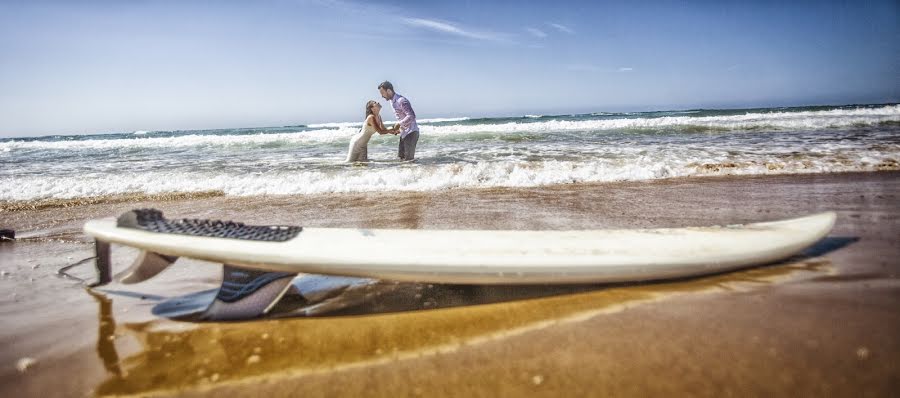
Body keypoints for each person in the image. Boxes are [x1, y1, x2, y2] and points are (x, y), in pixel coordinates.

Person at [378, 81, 419, 161]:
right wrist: (398, 129)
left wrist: (399, 124)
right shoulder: (392, 101)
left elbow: (411, 116)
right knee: (401, 159)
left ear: (389, 91)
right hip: (404, 133)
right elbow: (401, 117)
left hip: (411, 133)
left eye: (382, 93)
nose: (382, 96)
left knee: (409, 161)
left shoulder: (401, 100)